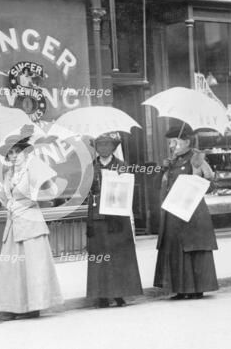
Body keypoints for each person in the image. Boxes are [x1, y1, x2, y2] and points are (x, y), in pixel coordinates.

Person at [0, 125, 63, 319]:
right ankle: (17, 307)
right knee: (15, 268)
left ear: (25, 152)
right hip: (14, 224)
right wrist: (5, 200)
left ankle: (34, 307)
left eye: (17, 152)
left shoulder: (34, 168)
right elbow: (9, 198)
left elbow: (53, 192)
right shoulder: (7, 175)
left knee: (33, 267)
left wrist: (34, 196)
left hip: (31, 224)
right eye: (10, 153)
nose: (14, 156)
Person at [154, 124, 219, 300]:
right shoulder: (172, 161)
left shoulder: (197, 158)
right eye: (170, 143)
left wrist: (198, 180)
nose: (171, 146)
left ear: (187, 142)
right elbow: (161, 186)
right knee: (177, 251)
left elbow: (211, 184)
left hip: (193, 213)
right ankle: (180, 289)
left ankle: (196, 289)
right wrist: (163, 169)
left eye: (174, 142)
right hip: (173, 213)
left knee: (193, 250)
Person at [86, 132, 142, 308]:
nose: (103, 148)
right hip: (97, 217)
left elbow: (127, 190)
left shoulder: (121, 166)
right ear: (96, 148)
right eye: (100, 145)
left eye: (107, 145)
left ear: (113, 148)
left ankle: (119, 294)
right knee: (100, 256)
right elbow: (84, 191)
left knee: (118, 256)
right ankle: (101, 295)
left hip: (116, 217)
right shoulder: (90, 167)